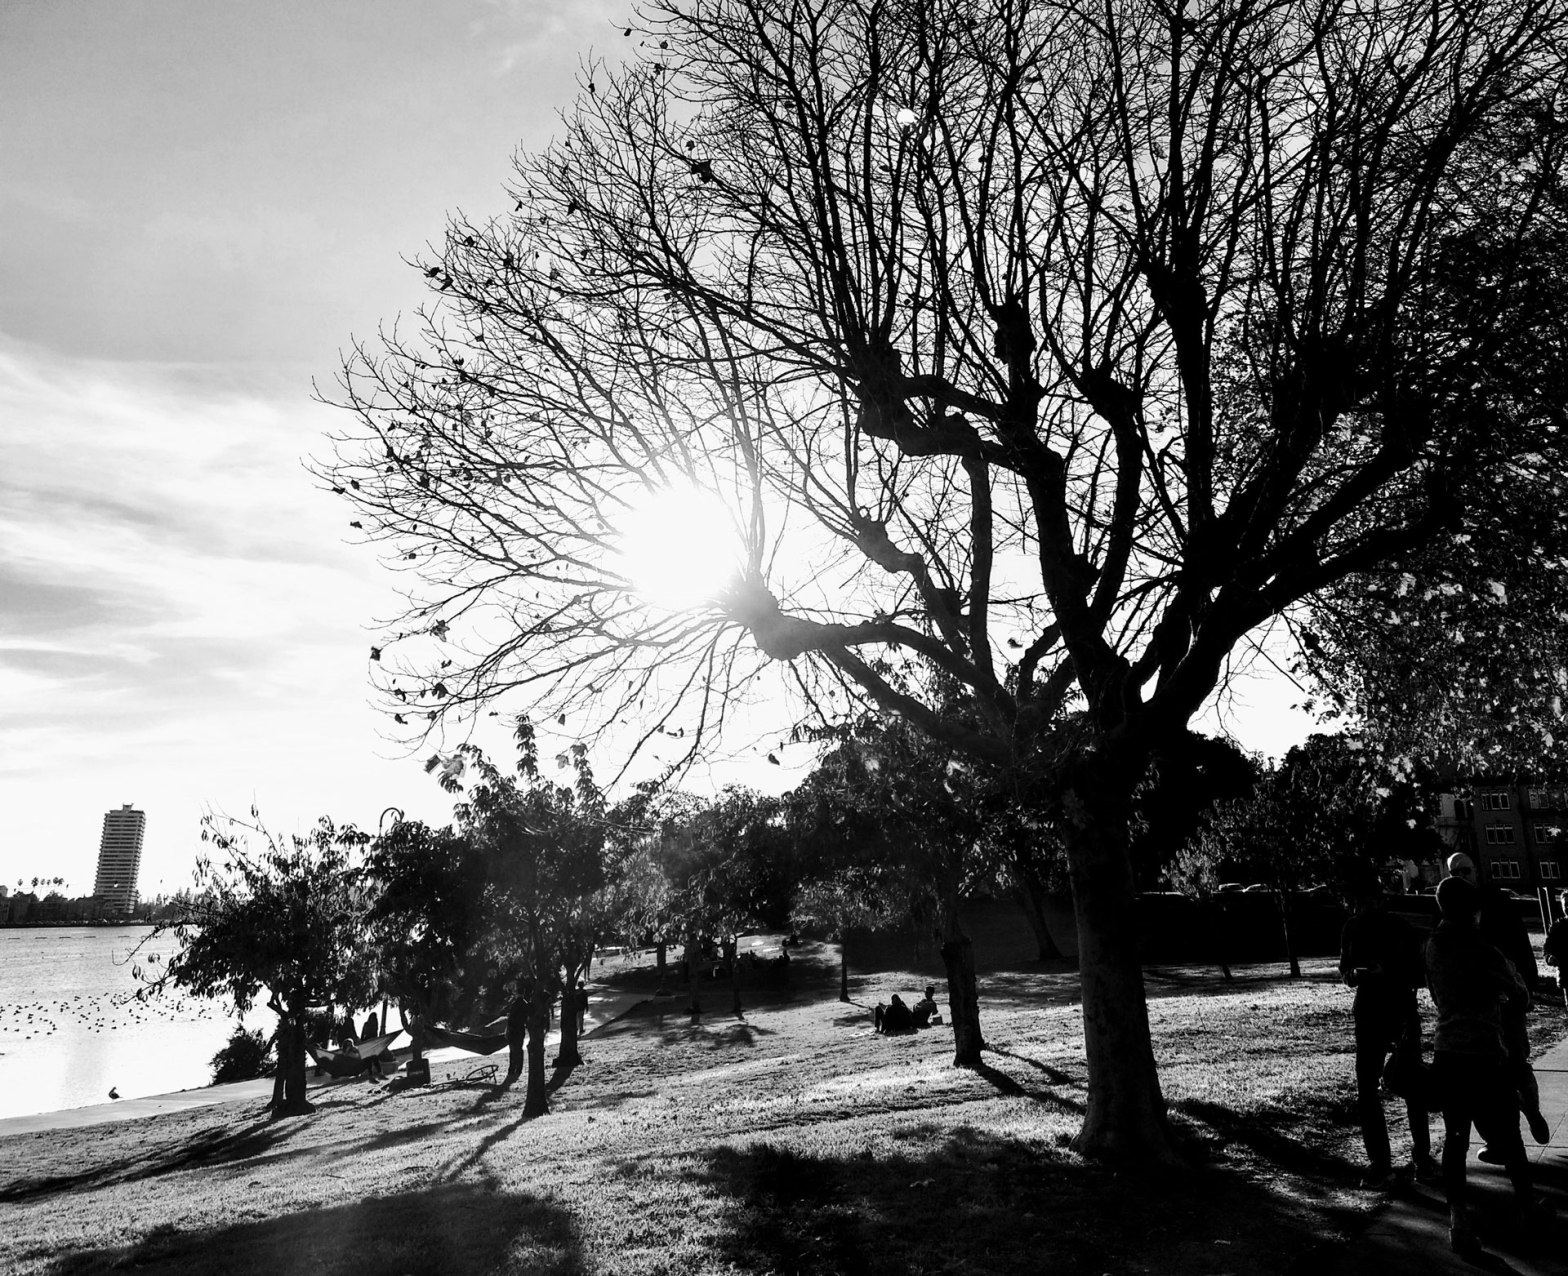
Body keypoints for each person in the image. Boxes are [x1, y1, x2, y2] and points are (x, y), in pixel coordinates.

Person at [1425, 875, 1549, 1255]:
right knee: (1508, 1137)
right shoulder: (1483, 949)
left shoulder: (1432, 946)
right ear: (1474, 910)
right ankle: (1528, 1207)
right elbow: (1521, 995)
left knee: (1456, 1137)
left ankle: (1458, 1219)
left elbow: (1434, 994)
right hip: (1485, 1053)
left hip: (1448, 1052)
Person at [1445, 852, 1550, 1152]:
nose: (1461, 877)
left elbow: (1519, 946)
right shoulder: (1453, 913)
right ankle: (1507, 1133)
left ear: (1475, 872)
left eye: (1465, 871)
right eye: (1455, 873)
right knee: (1498, 1071)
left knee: (1512, 1064)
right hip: (1479, 1008)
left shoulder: (1492, 905)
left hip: (1502, 1001)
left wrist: (1526, 989)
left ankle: (1522, 1118)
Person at [1338, 872, 1433, 1185]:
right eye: (1358, 903)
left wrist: (1386, 971)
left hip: (1397, 1010)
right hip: (1372, 1010)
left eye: (1367, 902)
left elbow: (1419, 973)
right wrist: (1353, 974)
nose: (1362, 908)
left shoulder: (1398, 928)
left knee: (1410, 1085)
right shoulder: (1352, 928)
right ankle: (1384, 1161)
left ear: (1379, 900)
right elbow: (1345, 968)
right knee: (1369, 1088)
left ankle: (1416, 1158)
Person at [1543, 893, 1568, 1010]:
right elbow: (1547, 948)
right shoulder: (1557, 927)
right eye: (1565, 905)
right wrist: (1549, 958)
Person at [503, 985, 529, 1086]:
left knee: (513, 1050)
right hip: (521, 1029)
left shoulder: (514, 1004)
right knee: (519, 1049)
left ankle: (512, 1069)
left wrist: (507, 1030)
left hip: (514, 1030)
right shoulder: (525, 1004)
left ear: (516, 993)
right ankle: (519, 1069)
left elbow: (511, 1019)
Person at [361, 1011, 383, 1080]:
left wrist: (362, 1043)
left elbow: (362, 1035)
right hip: (373, 1043)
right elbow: (375, 1035)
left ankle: (370, 1073)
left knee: (368, 1060)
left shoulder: (366, 1024)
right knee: (375, 1059)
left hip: (367, 1042)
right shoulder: (375, 1025)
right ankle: (380, 1072)